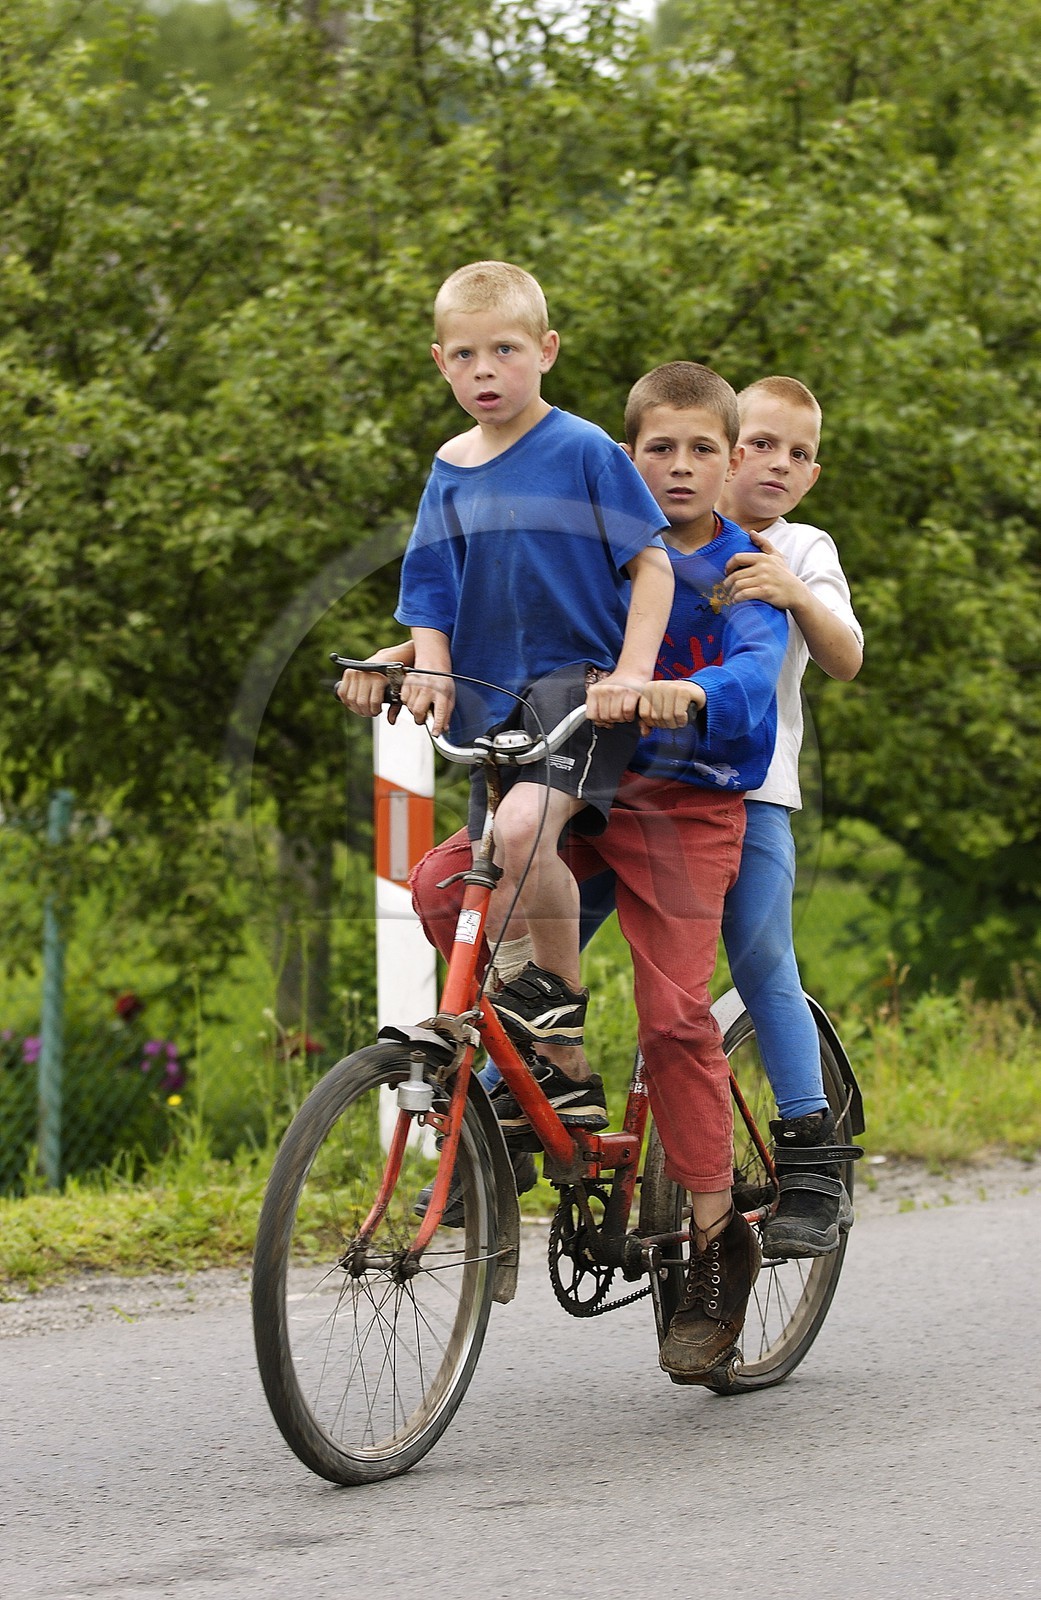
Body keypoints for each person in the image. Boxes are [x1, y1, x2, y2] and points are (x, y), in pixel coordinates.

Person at [356, 363, 789, 1380]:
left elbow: (756, 666)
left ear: (728, 464)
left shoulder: (741, 566)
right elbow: (518, 625)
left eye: (700, 452)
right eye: (659, 451)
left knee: (677, 1013)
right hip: (587, 782)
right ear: (629, 461)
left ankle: (721, 1240)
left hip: (684, 805)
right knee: (444, 881)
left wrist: (686, 690)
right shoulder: (604, 541)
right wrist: (400, 656)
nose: (679, 469)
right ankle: (544, 1066)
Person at [344, 259, 675, 1133]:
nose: (484, 370)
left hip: (579, 689)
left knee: (526, 832)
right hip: (490, 698)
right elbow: (428, 597)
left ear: (546, 351)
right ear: (439, 363)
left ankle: (557, 1003)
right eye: (464, 355)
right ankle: (555, 1073)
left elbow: (651, 566)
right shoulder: (449, 468)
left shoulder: (582, 449)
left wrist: (634, 675)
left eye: (505, 350)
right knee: (457, 884)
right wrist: (424, 668)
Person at [716, 375, 864, 1256]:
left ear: (811, 475)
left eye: (798, 453)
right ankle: (526, 1086)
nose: (777, 463)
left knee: (764, 954)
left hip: (752, 790)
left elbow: (845, 655)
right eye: (761, 443)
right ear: (724, 443)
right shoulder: (666, 526)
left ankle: (810, 1155)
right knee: (547, 901)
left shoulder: (804, 546)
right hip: (648, 783)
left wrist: (793, 592)